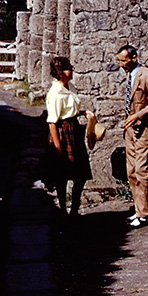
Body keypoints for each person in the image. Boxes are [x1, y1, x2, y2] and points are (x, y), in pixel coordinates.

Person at [117, 44, 148, 227]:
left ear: (134, 58)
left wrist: (137, 116)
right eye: (120, 61)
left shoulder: (146, 75)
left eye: (123, 60)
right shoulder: (130, 74)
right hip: (131, 131)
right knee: (131, 171)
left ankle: (143, 214)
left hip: (144, 131)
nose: (121, 64)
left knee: (141, 170)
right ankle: (138, 210)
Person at [45, 56, 92, 219]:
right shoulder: (56, 93)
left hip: (74, 129)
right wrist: (58, 148)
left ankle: (74, 209)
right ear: (59, 72)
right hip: (62, 131)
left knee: (80, 174)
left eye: (70, 68)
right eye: (67, 69)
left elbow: (70, 109)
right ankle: (63, 210)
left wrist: (83, 112)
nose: (70, 71)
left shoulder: (70, 87)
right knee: (62, 175)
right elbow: (52, 122)